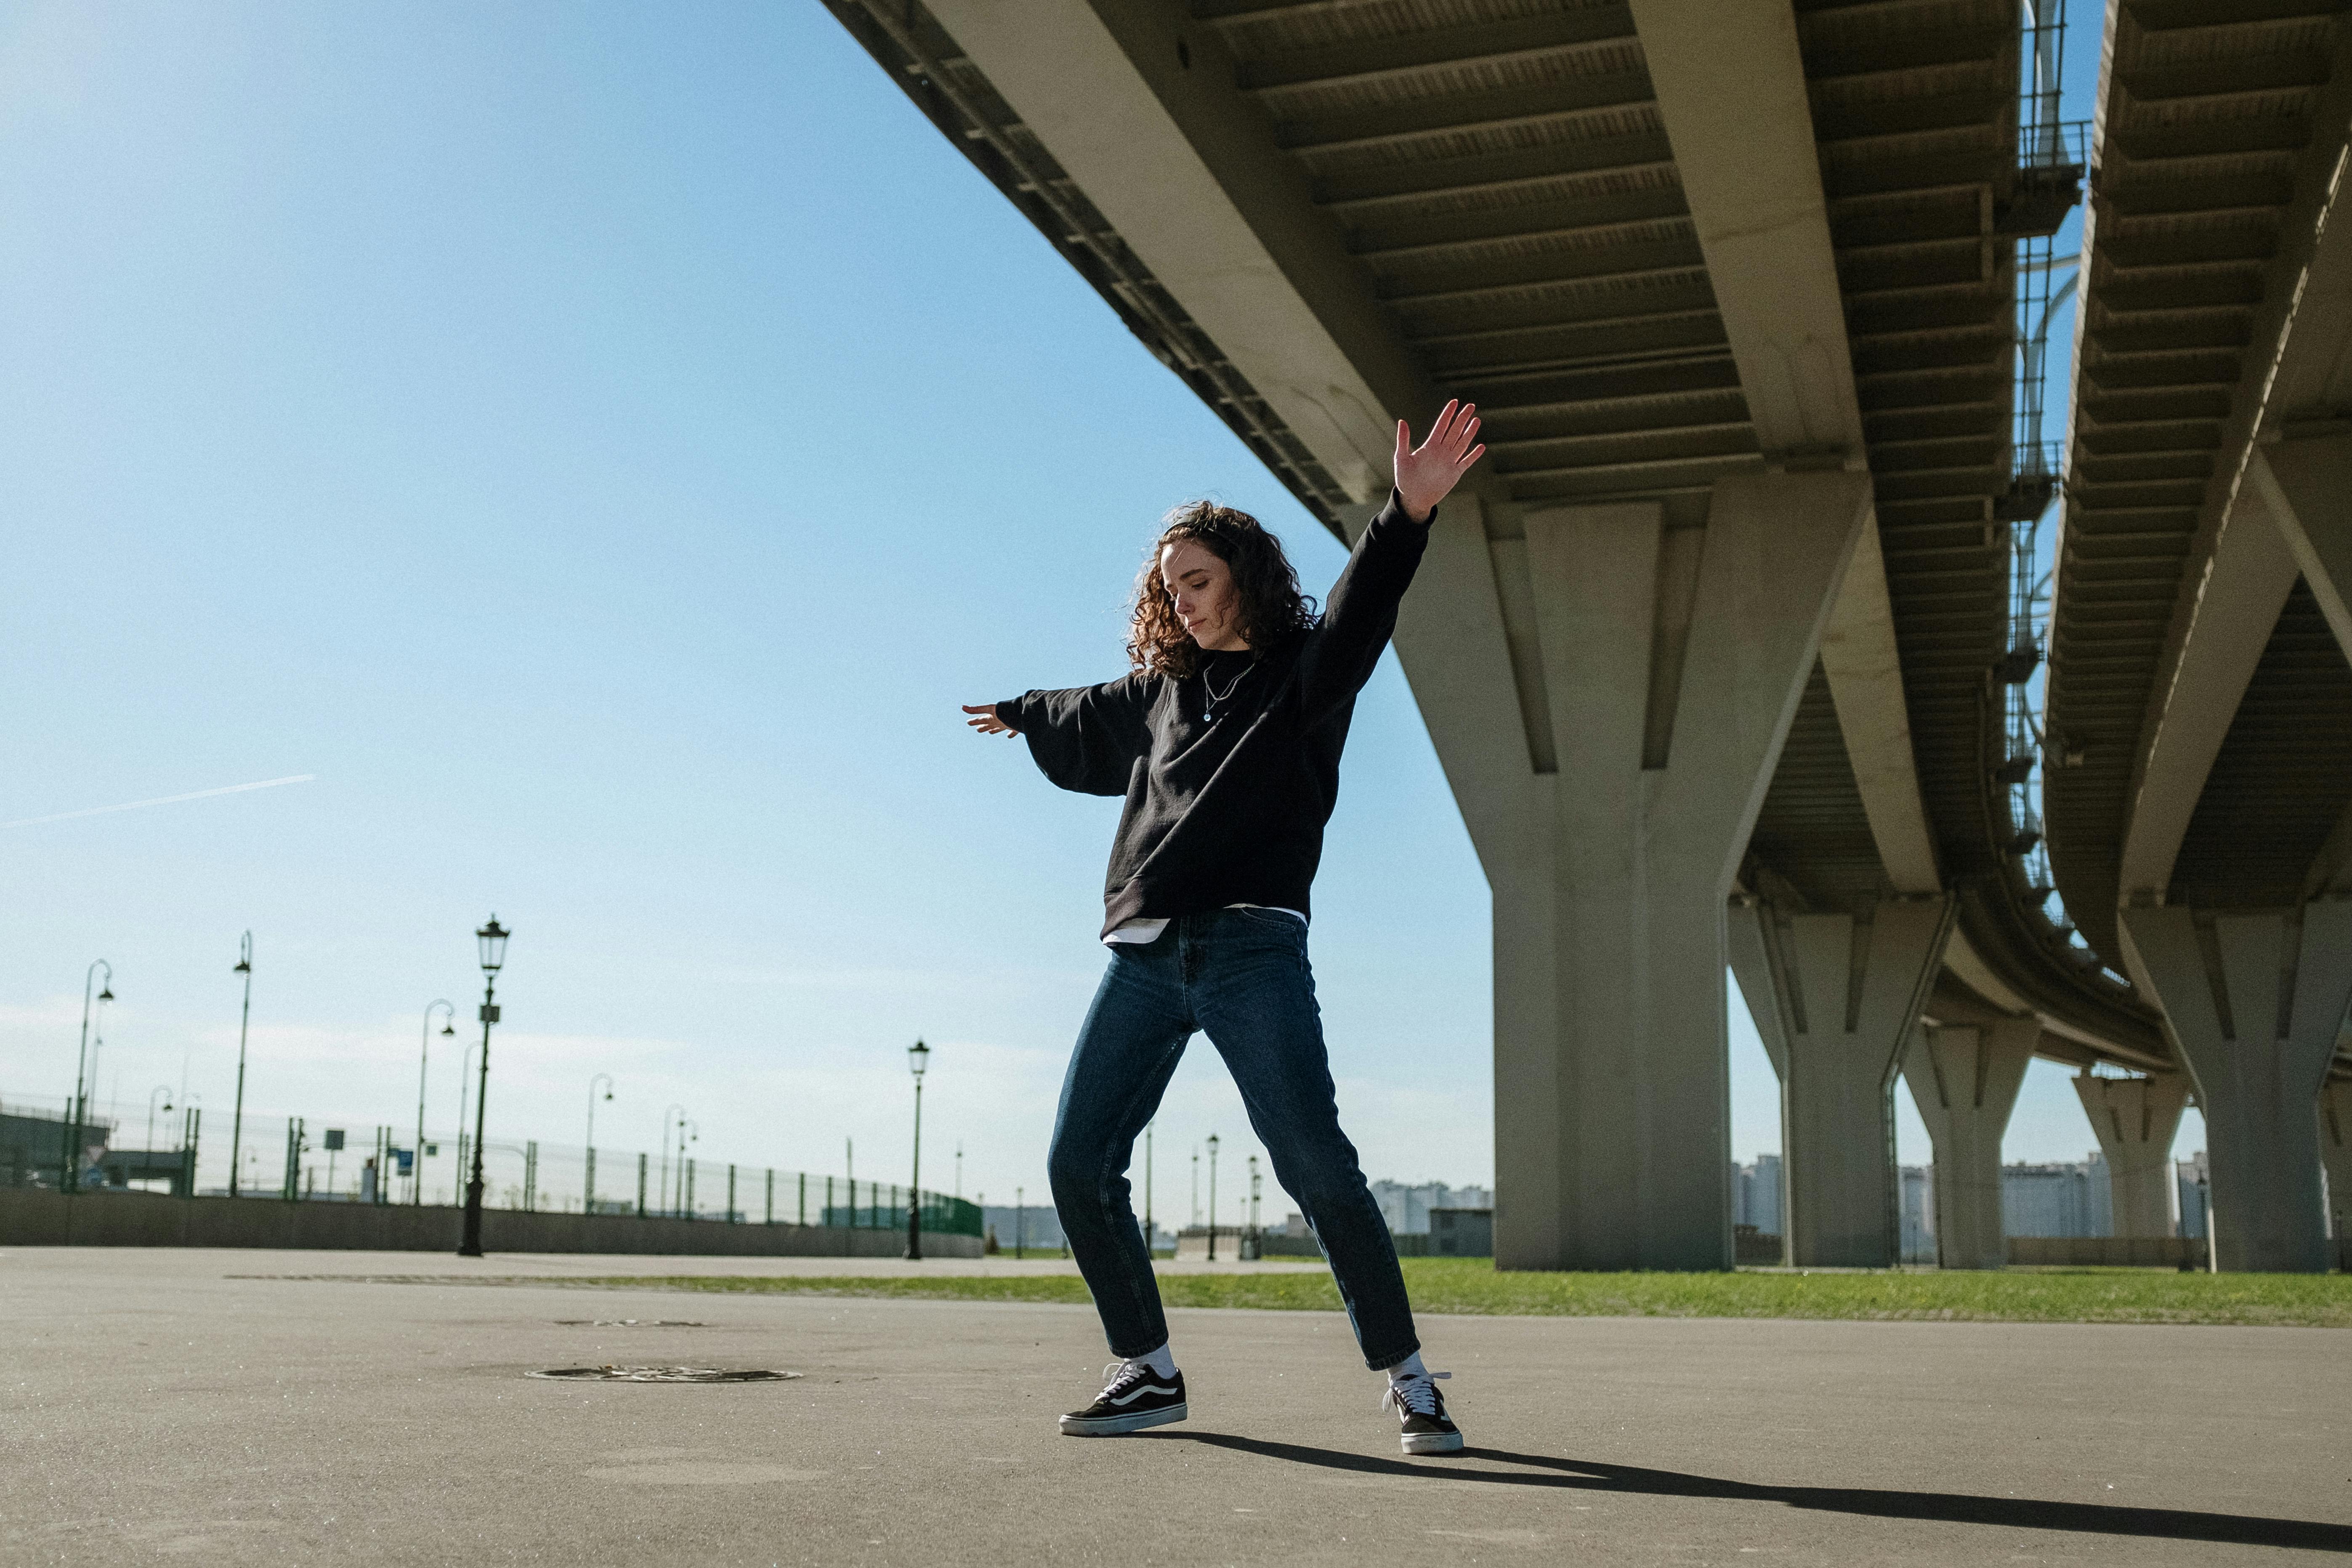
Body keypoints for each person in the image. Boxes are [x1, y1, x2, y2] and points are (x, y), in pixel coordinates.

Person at [961, 402, 1485, 1456]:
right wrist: (1021, 709)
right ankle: (1146, 1371)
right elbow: (1086, 708)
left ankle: (1411, 1383)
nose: (1181, 604)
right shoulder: (1165, 693)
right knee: (1077, 1164)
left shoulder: (1303, 675)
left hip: (1252, 953)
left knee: (1315, 1168)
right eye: (1168, 590)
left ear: (1241, 571)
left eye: (1195, 582)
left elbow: (1361, 610)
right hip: (1147, 958)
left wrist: (1406, 515)